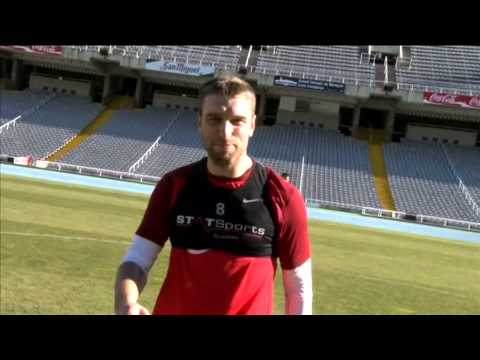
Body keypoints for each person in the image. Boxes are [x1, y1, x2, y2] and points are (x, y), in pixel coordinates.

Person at [114, 75, 312, 315]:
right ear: (199, 121)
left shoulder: (282, 196)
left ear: (252, 125)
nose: (225, 132)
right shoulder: (174, 185)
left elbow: (298, 289)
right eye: (214, 119)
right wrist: (126, 303)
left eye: (236, 121)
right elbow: (137, 260)